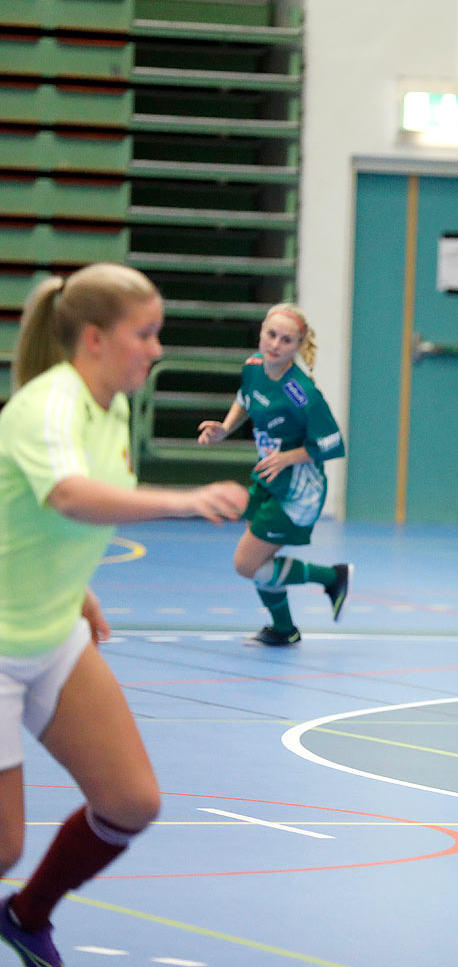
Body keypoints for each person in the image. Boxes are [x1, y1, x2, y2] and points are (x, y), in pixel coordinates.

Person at [0, 264, 249, 967]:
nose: (157, 348)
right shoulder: (48, 405)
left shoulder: (108, 406)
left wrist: (74, 584)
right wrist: (182, 501)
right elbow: (70, 497)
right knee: (3, 843)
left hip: (50, 634)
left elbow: (32, 512)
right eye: (145, 334)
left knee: (131, 800)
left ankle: (25, 915)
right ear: (95, 338)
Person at [197, 303, 350, 646]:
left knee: (247, 564)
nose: (275, 345)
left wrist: (288, 457)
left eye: (286, 340)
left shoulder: (303, 394)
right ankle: (283, 629)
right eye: (271, 335)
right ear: (262, 331)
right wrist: (225, 427)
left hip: (298, 491)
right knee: (260, 563)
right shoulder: (253, 366)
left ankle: (331, 576)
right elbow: (245, 399)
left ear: (298, 346)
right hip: (269, 479)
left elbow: (332, 443)